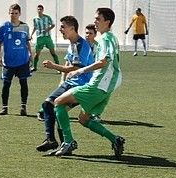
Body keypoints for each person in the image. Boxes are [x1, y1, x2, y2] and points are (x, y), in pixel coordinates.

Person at [51, 8, 125, 158]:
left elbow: (103, 61)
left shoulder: (104, 39)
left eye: (98, 19)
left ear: (107, 22)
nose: (95, 22)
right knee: (83, 119)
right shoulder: (112, 38)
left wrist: (80, 71)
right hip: (106, 88)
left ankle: (68, 142)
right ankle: (115, 139)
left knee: (58, 102)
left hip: (97, 86)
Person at [35, 16, 94, 154]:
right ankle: (66, 145)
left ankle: (50, 139)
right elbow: (68, 65)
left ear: (72, 28)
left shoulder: (80, 45)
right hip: (72, 83)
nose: (60, 29)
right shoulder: (72, 44)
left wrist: (53, 65)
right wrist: (62, 80)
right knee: (58, 111)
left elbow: (75, 68)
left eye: (63, 27)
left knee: (47, 104)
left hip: (78, 83)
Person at [36, 23, 98, 122]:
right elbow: (68, 62)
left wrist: (54, 66)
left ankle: (93, 114)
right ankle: (45, 113)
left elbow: (79, 67)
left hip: (84, 81)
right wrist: (62, 79)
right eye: (86, 33)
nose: (88, 35)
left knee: (55, 105)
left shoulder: (96, 47)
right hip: (76, 80)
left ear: (95, 35)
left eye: (90, 33)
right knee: (58, 109)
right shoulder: (75, 44)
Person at [0, 3, 32, 116]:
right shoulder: (3, 27)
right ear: (9, 13)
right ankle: (4, 107)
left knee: (23, 83)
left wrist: (31, 53)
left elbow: (27, 41)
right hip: (8, 61)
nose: (14, 15)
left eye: (16, 13)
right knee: (6, 84)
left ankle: (23, 107)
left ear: (20, 14)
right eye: (12, 13)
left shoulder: (25, 26)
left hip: (23, 61)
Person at [30, 4, 59, 72]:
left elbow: (53, 25)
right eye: (38, 9)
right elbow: (35, 27)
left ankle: (58, 68)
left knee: (53, 53)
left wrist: (47, 29)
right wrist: (31, 35)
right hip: (39, 38)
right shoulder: (35, 19)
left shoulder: (47, 17)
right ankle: (34, 67)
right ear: (37, 10)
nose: (39, 10)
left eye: (41, 9)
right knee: (37, 54)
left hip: (47, 37)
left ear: (43, 10)